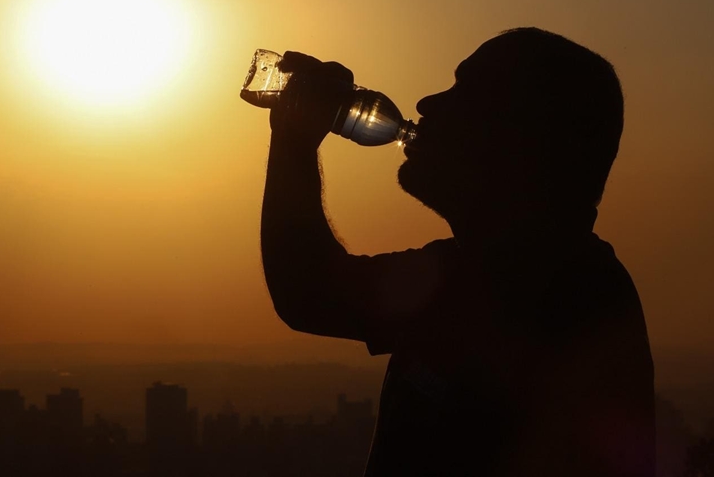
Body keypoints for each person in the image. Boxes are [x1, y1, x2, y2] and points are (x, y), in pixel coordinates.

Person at [259, 27, 655, 476]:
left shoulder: (540, 286)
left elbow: (306, 289)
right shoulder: (534, 270)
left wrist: (293, 141)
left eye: (464, 92)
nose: (428, 104)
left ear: (522, 141)